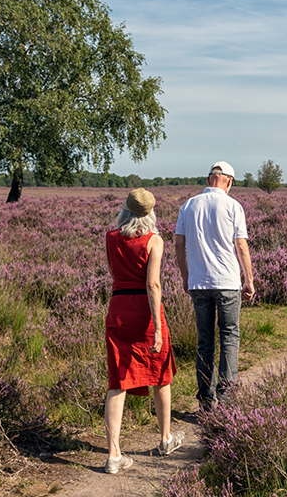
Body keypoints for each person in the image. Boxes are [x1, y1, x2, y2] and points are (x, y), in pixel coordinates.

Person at [103, 188, 184, 474]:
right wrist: (159, 328)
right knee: (160, 373)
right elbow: (153, 285)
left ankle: (114, 455)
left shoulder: (111, 238)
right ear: (151, 213)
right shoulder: (154, 241)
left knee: (118, 380)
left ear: (124, 210)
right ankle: (165, 439)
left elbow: (115, 272)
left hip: (118, 307)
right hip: (145, 311)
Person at [174, 161, 255, 410]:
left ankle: (206, 401)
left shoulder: (188, 205)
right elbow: (241, 246)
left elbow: (178, 243)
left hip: (199, 283)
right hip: (228, 282)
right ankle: (228, 398)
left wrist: (186, 276)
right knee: (229, 337)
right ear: (229, 181)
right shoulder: (233, 205)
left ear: (210, 179)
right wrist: (249, 280)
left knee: (205, 341)